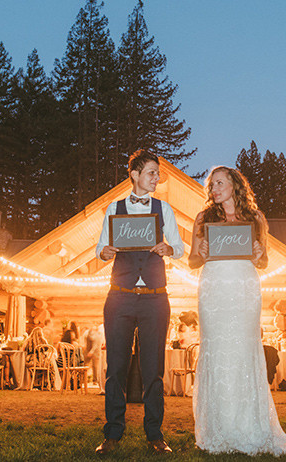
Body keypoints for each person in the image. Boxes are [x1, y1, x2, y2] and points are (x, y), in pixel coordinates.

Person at [187, 166, 286, 456]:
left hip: (244, 289)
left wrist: (259, 254)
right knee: (218, 352)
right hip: (214, 289)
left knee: (244, 351)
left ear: (235, 185)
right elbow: (193, 261)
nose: (214, 189)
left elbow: (264, 260)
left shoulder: (255, 218)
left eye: (219, 183)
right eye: (211, 185)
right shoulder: (204, 219)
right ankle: (217, 428)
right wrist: (202, 252)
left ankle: (250, 426)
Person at [94, 150, 184, 455]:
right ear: (133, 174)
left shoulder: (164, 209)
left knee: (153, 371)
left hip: (155, 300)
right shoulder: (114, 208)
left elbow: (181, 248)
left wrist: (167, 248)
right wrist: (105, 253)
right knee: (115, 369)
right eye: (151, 173)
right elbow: (100, 248)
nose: (157, 178)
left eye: (157, 174)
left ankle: (155, 434)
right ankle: (112, 434)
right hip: (119, 297)